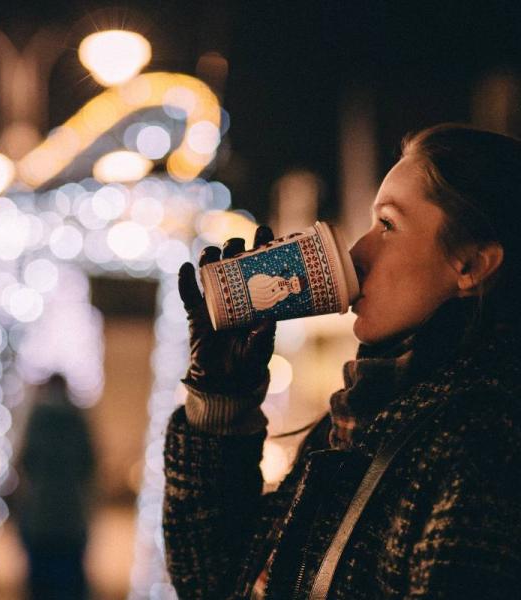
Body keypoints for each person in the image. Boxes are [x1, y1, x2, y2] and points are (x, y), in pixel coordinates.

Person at [163, 123, 521, 599]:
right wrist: (222, 402)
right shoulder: (364, 418)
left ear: (472, 266)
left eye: (388, 225)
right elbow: (213, 581)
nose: (357, 252)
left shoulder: (484, 441)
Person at [14, 373, 96, 600]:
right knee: (69, 580)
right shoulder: (77, 418)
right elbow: (89, 463)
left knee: (41, 581)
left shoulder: (37, 419)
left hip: (41, 514)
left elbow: (25, 461)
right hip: (71, 514)